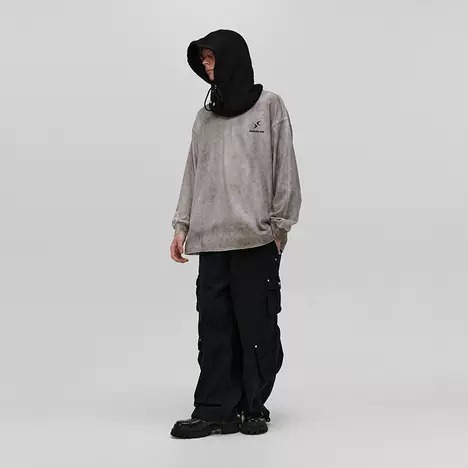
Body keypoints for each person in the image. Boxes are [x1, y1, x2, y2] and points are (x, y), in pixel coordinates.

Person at [169, 29, 302, 438]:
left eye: (211, 58)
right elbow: (193, 172)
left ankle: (253, 407)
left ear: (233, 58)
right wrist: (181, 225)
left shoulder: (269, 106)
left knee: (256, 326)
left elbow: (285, 169)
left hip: (256, 240)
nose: (207, 66)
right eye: (203, 60)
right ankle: (215, 410)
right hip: (211, 240)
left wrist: (279, 228)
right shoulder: (204, 119)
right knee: (214, 329)